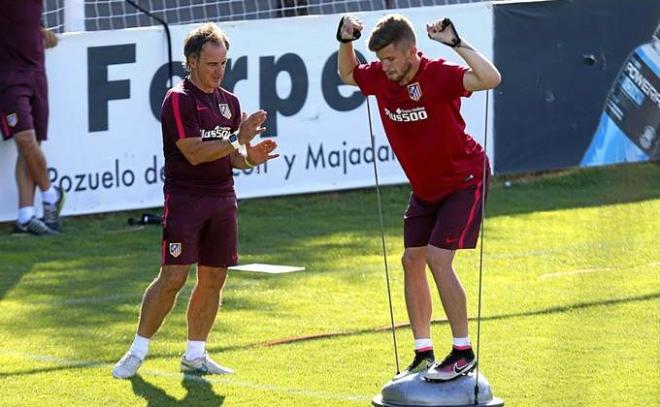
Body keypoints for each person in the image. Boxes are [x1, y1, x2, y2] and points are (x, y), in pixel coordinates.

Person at [337, 14, 501, 381]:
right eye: (380, 59)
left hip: (464, 179)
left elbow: (491, 78)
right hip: (426, 190)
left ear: (412, 51)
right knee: (412, 259)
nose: (385, 67)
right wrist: (345, 41)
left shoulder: (438, 73)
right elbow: (348, 75)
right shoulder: (380, 76)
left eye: (391, 59)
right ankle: (423, 353)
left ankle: (463, 352)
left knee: (438, 259)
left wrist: (456, 43)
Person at [112, 23, 279, 379]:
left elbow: (231, 157)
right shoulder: (178, 99)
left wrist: (251, 158)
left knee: (214, 279)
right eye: (211, 64)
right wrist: (238, 137)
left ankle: (195, 354)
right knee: (172, 277)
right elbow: (194, 153)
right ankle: (137, 351)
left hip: (223, 198)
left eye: (223, 63)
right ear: (191, 62)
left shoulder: (230, 102)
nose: (219, 71)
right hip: (186, 199)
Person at [0, 1, 66, 235]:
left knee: (31, 145)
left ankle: (25, 216)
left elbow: (28, 20)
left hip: (37, 71)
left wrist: (41, 29)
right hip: (8, 76)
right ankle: (51, 194)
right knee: (25, 140)